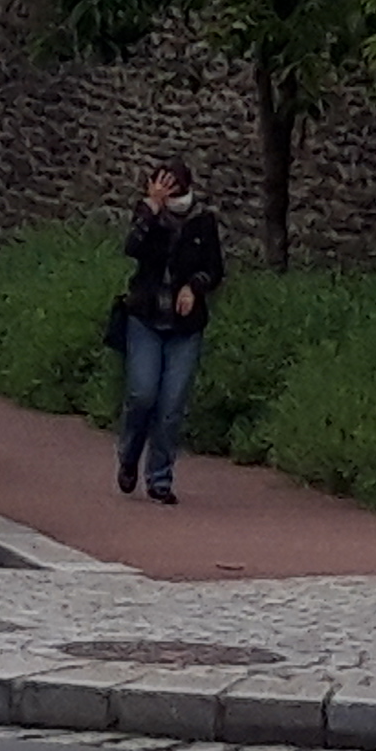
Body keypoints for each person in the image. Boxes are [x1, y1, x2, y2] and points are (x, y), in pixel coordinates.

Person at [113, 161, 225, 504]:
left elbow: (215, 268)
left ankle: (160, 477)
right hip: (146, 318)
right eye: (161, 186)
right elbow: (132, 247)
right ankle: (129, 456)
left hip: (184, 327)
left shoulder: (202, 221)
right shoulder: (148, 216)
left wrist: (194, 287)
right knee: (142, 394)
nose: (168, 194)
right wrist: (151, 209)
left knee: (172, 403)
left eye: (173, 188)